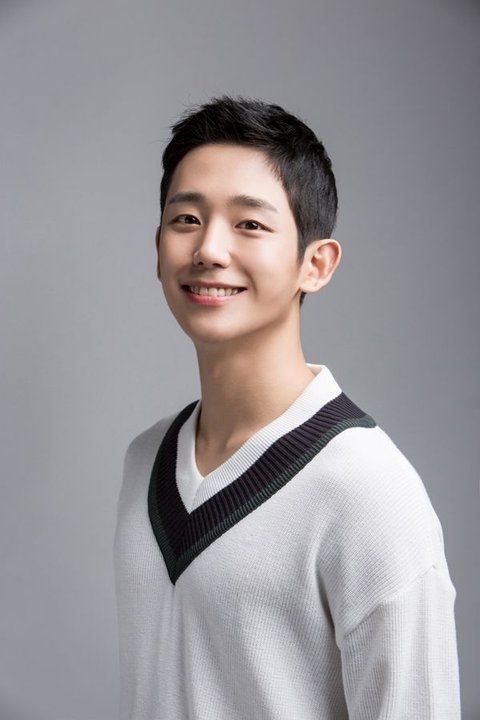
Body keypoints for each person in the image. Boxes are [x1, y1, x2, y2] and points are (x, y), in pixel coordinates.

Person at [114, 95, 461, 719]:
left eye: (249, 224)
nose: (209, 248)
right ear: (157, 245)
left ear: (315, 264)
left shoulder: (368, 492)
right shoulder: (146, 458)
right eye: (186, 218)